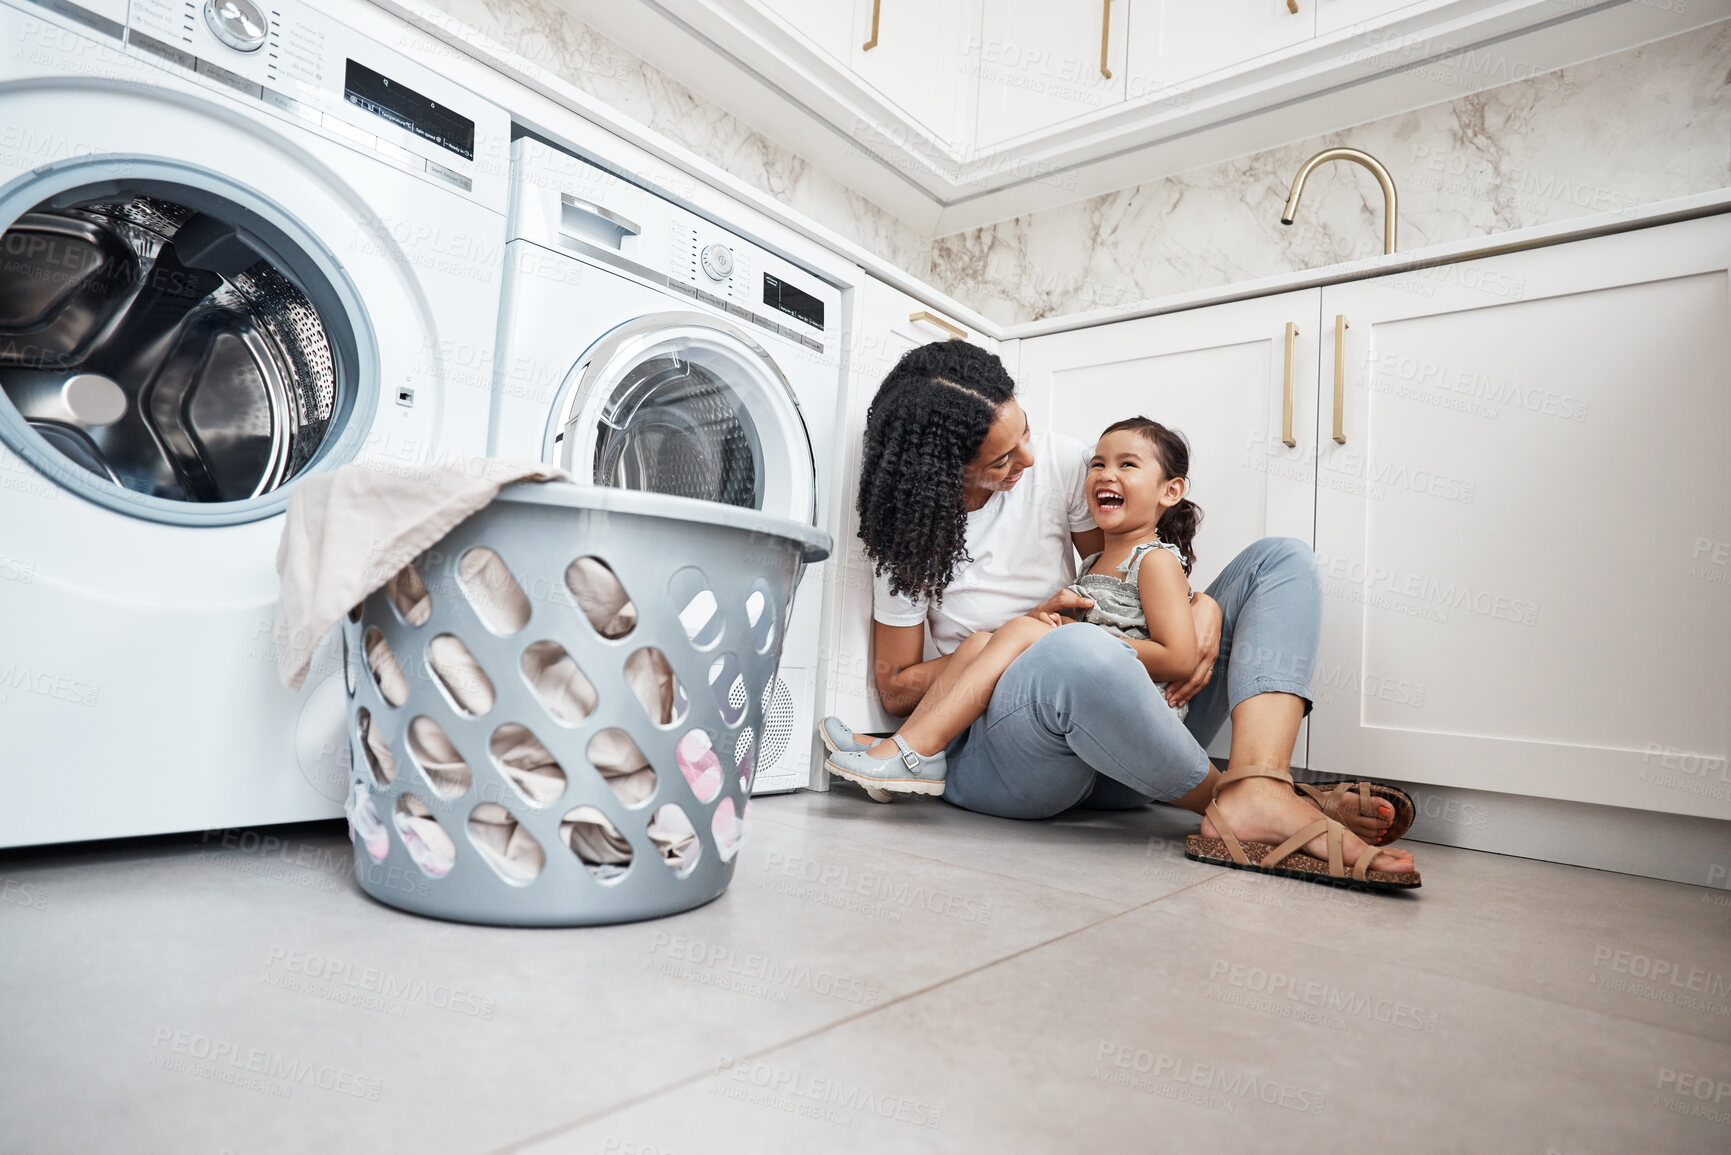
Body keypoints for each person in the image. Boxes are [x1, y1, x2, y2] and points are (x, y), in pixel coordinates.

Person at [821, 341, 1419, 890]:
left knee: (1279, 561)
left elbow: (1124, 573)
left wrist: (1199, 604)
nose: (1029, 457)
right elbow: (898, 689)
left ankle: (1260, 782)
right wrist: (1020, 635)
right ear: (947, 471)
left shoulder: (1057, 463)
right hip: (1014, 757)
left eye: (1024, 430)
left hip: (1129, 738)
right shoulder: (907, 533)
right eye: (1003, 459)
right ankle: (1253, 802)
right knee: (1074, 649)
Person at [826, 416, 1202, 795]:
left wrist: (1075, 636)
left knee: (1023, 629)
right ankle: (906, 745)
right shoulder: (1093, 563)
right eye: (1098, 464)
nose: (1105, 474)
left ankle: (912, 751)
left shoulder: (1154, 561)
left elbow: (1179, 659)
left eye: (1127, 464)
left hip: (1142, 719)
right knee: (977, 642)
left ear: (1170, 492)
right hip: (1090, 707)